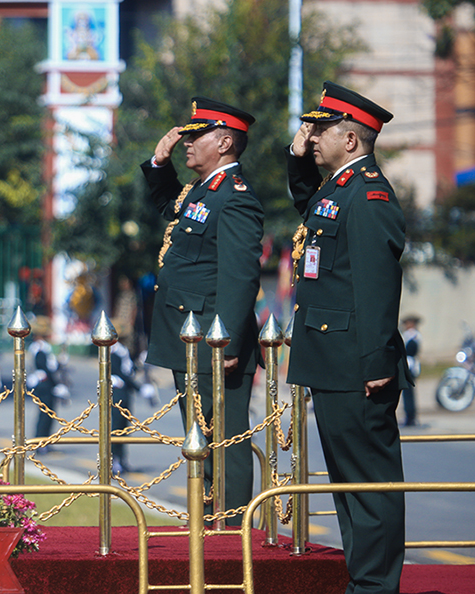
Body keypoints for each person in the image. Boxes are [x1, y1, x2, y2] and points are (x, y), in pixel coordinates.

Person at [286, 81, 411, 594]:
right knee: (348, 483)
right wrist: (297, 159)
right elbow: (308, 205)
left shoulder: (369, 194)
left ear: (352, 139)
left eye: (322, 130)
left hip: (358, 365)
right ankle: (363, 581)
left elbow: (378, 286)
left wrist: (377, 361)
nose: (312, 136)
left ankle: (376, 585)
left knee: (370, 485)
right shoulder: (339, 188)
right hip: (333, 360)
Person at [140, 97, 264, 526]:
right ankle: (209, 525)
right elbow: (170, 210)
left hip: (214, 341)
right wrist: (160, 164)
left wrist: (226, 339)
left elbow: (241, 276)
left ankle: (230, 531)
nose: (187, 142)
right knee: (201, 439)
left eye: (197, 136)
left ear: (225, 143)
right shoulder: (204, 190)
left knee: (224, 441)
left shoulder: (235, 198)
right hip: (191, 337)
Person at [28, 316, 69, 449]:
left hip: (47, 383)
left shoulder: (44, 347)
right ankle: (40, 442)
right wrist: (57, 384)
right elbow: (45, 368)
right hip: (44, 384)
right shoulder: (39, 348)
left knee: (49, 415)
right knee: (45, 415)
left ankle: (45, 441)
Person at [109, 325, 140, 474]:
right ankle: (113, 459)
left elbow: (128, 369)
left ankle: (121, 459)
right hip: (117, 392)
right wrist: (139, 387)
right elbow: (121, 373)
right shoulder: (114, 352)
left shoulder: (123, 350)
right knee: (116, 428)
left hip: (125, 392)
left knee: (124, 428)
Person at [401, 314, 422, 427]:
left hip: (410, 366)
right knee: (406, 393)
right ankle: (408, 415)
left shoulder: (414, 335)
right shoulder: (407, 335)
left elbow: (411, 350)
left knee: (409, 393)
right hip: (407, 365)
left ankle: (411, 416)